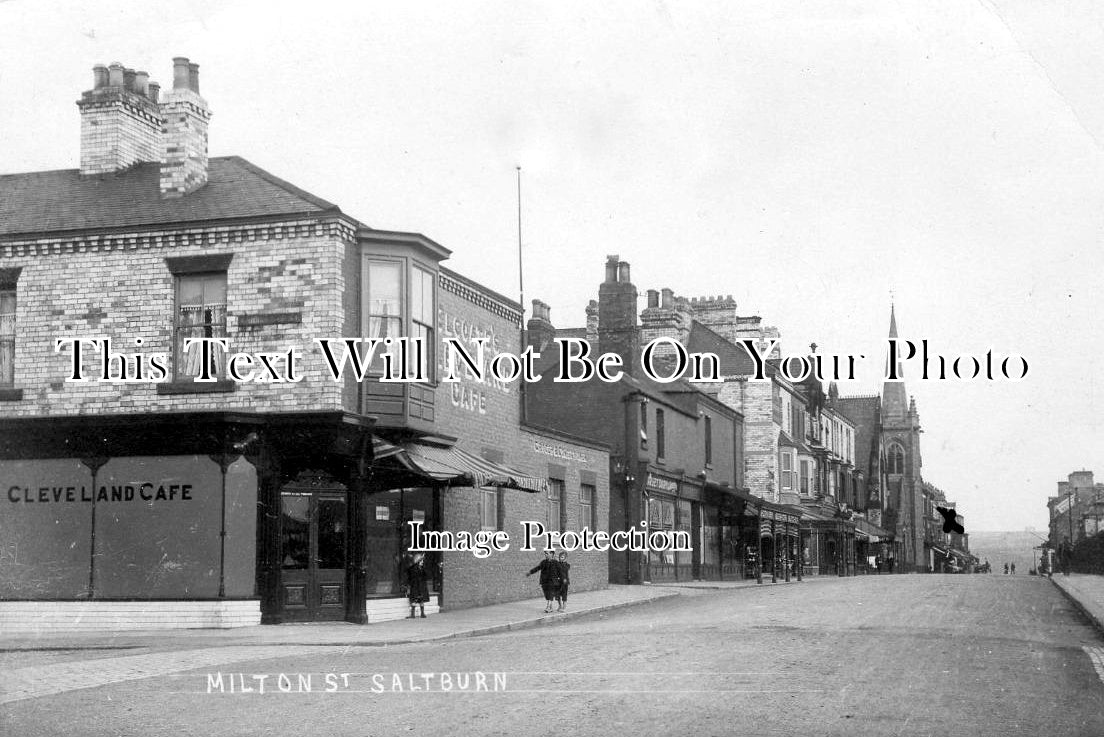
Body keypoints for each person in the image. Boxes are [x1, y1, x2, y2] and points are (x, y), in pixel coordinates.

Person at [406, 553, 430, 619]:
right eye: (421, 561)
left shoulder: (421, 568)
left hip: (420, 586)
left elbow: (426, 576)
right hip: (415, 585)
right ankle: (413, 614)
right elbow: (411, 577)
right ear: (418, 561)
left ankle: (422, 613)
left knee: (421, 599)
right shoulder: (413, 568)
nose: (422, 562)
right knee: (414, 599)